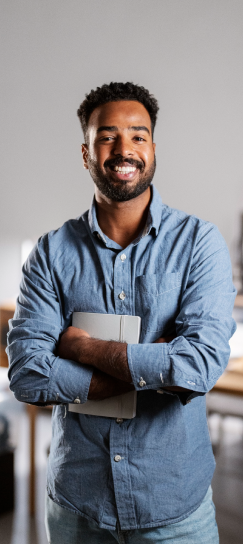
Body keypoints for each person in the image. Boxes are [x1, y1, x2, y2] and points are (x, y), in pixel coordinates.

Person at [7, 82, 236, 543]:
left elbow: (198, 366)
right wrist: (150, 371)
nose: (124, 148)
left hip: (175, 509)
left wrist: (82, 348)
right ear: (86, 152)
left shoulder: (198, 243)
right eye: (107, 136)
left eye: (138, 134)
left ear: (153, 147)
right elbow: (28, 376)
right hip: (78, 506)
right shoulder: (51, 254)